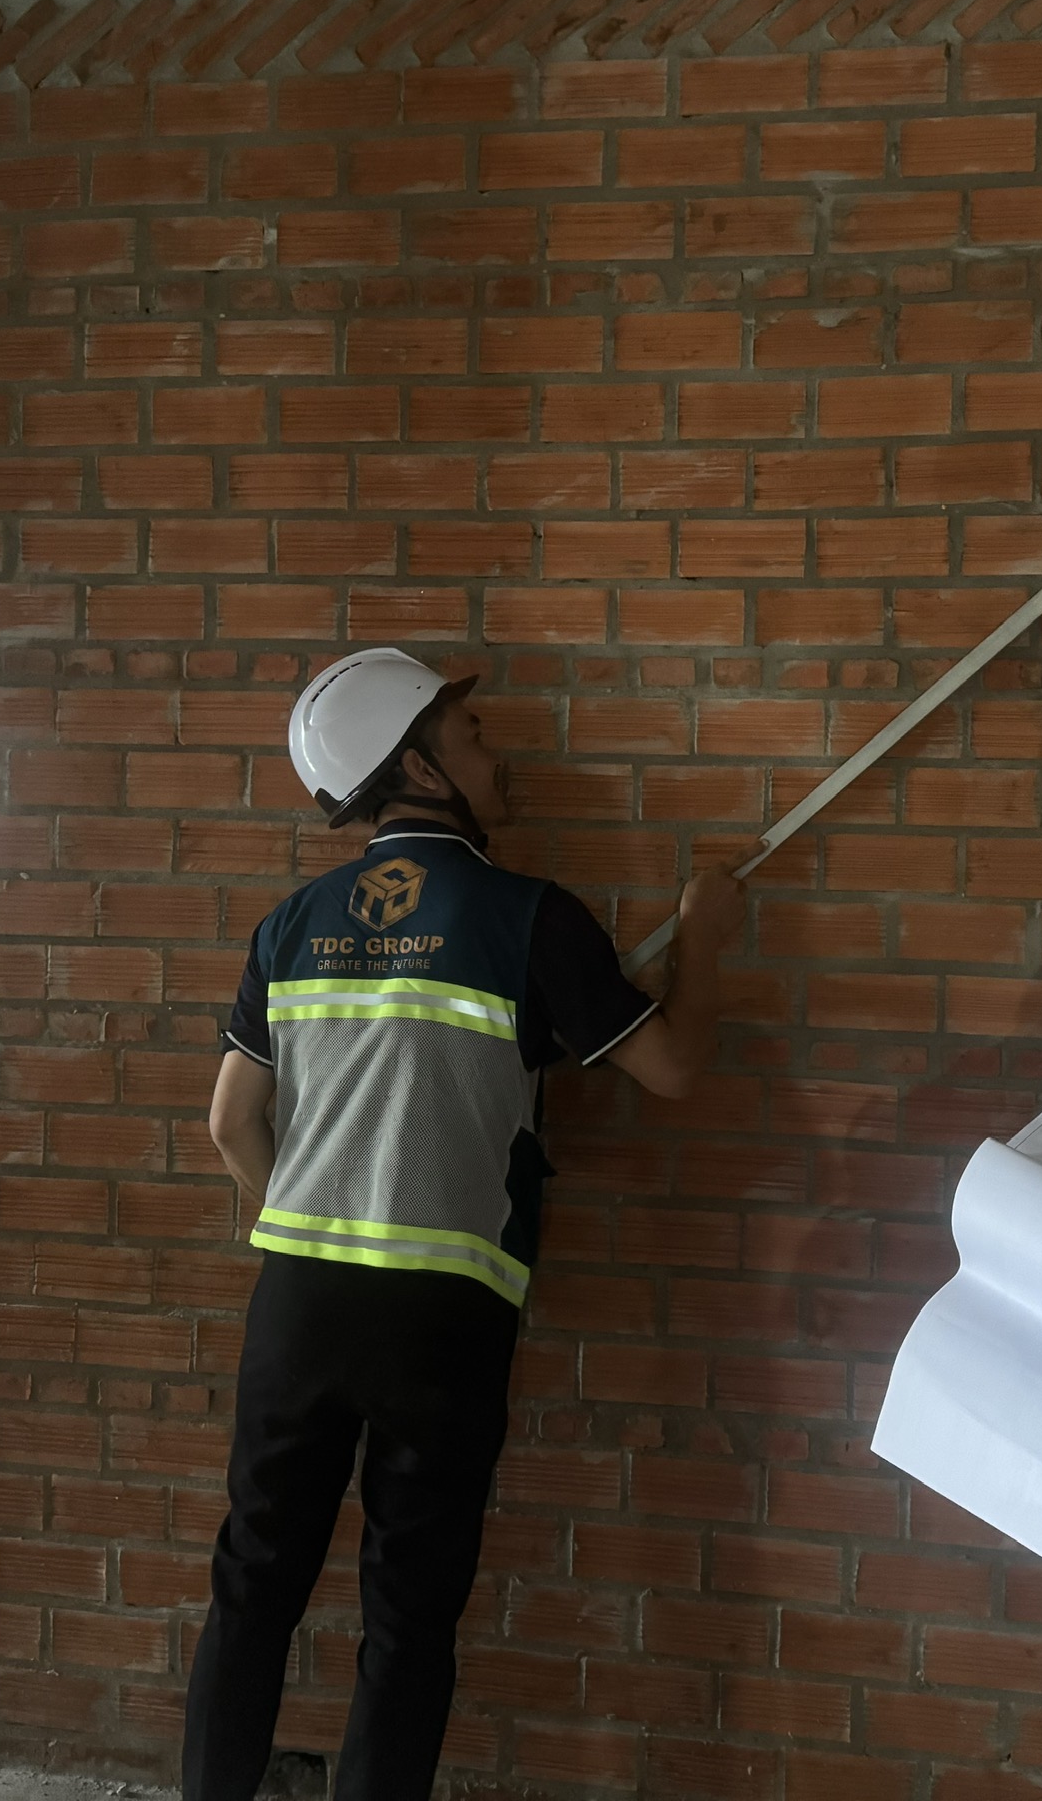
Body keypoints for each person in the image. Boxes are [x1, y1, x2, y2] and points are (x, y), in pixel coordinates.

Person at [181, 648, 746, 1801]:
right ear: (420, 769)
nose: (498, 755)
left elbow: (232, 1124)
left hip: (297, 1298)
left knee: (252, 1585)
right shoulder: (529, 919)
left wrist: (315, 1221)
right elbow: (675, 1067)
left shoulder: (291, 926)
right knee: (408, 1610)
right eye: (472, 736)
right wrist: (705, 934)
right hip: (440, 1315)